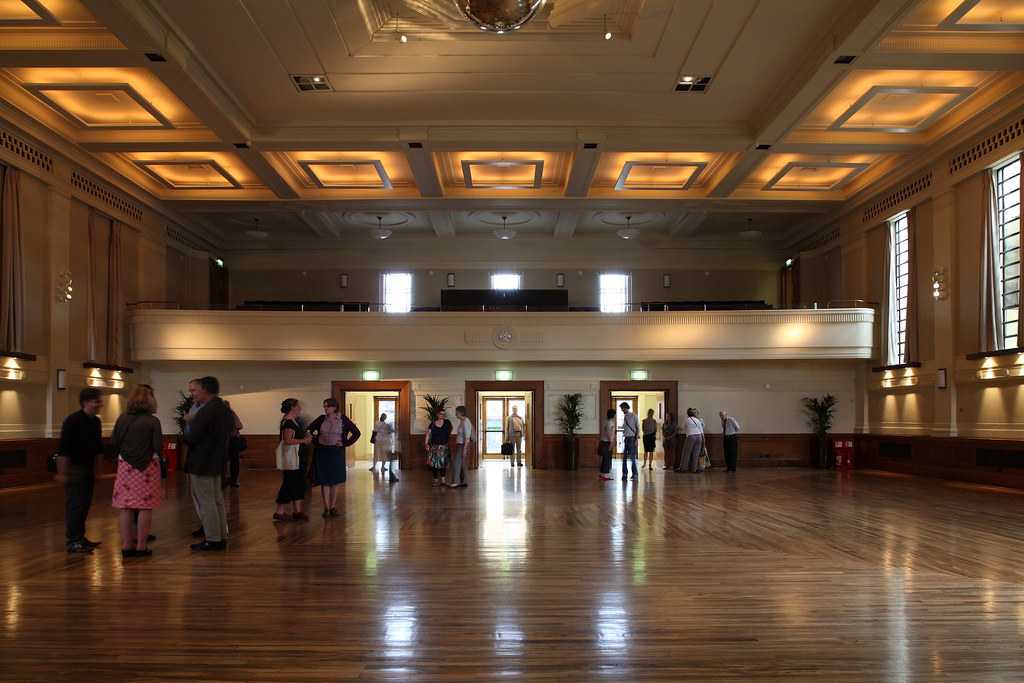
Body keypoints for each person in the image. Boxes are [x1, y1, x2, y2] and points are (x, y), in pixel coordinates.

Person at [110, 384, 163, 558]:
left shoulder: (122, 418)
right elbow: (158, 446)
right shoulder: (152, 421)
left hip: (125, 465)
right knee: (145, 506)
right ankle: (141, 546)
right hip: (148, 467)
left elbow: (114, 441)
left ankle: (126, 545)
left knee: (126, 506)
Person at [183, 376, 234, 550]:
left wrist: (190, 423)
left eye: (194, 390)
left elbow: (193, 438)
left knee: (206, 502)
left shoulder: (206, 411)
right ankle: (221, 537)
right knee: (217, 501)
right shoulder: (225, 409)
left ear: (204, 390)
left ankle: (212, 539)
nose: (193, 394)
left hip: (202, 462)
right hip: (217, 461)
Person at [56, 387, 105, 553]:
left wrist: (98, 472)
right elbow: (64, 450)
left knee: (85, 505)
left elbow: (98, 449)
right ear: (86, 402)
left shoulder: (95, 422)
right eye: (97, 401)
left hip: (87, 469)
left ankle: (80, 538)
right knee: (76, 505)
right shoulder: (73, 421)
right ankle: (73, 540)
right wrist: (63, 473)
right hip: (75, 469)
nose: (100, 404)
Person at [307, 397, 360, 517]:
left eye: (327, 406)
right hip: (322, 451)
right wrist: (316, 441)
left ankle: (333, 506)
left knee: (334, 481)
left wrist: (344, 443)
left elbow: (357, 433)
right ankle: (326, 507)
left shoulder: (343, 419)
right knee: (325, 481)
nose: (325, 409)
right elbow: (309, 429)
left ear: (334, 407)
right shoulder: (322, 419)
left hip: (336, 452)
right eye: (324, 406)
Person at [274, 398, 312, 521]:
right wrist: (304, 441)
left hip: (299, 457)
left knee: (299, 482)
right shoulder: (288, 422)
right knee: (289, 483)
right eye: (298, 406)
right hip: (293, 458)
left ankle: (297, 510)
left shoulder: (294, 421)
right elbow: (288, 440)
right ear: (292, 407)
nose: (300, 408)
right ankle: (279, 511)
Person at [425, 408, 453, 486]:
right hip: (434, 447)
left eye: (444, 414)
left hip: (444, 447)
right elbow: (428, 434)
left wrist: (448, 435)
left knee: (443, 463)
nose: (443, 415)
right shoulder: (433, 423)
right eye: (441, 414)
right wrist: (426, 444)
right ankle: (435, 480)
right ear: (437, 414)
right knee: (434, 464)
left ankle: (443, 481)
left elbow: (451, 428)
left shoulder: (447, 422)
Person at [222, 400, 245, 488]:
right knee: (234, 461)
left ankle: (222, 482)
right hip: (232, 440)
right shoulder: (231, 414)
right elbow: (239, 426)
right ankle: (233, 481)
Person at [449, 405, 472, 488]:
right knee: (462, 463)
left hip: (463, 445)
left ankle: (455, 482)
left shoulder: (465, 422)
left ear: (461, 413)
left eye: (457, 413)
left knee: (456, 463)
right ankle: (463, 482)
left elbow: (467, 437)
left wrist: (464, 449)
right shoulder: (463, 421)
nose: (455, 414)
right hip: (461, 445)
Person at [679, 407, 706, 473]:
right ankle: (695, 469)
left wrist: (678, 428)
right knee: (696, 453)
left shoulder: (686, 420)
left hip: (691, 436)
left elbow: (682, 427)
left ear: (687, 413)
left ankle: (683, 468)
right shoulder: (698, 420)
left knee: (687, 452)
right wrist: (703, 440)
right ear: (693, 413)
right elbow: (701, 431)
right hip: (699, 436)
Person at [620, 402, 639, 480]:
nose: (622, 410)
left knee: (632, 457)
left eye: (622, 408)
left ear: (626, 408)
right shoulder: (625, 417)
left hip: (632, 438)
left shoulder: (634, 416)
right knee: (624, 457)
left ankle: (635, 474)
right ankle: (624, 473)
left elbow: (637, 428)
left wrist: (636, 439)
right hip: (626, 438)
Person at [598, 408, 615, 480]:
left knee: (604, 458)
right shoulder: (610, 423)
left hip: (602, 441)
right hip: (607, 442)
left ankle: (602, 473)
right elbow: (608, 433)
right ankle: (605, 475)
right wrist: (611, 442)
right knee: (607, 459)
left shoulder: (605, 421)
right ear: (613, 415)